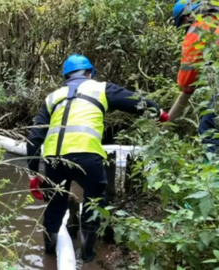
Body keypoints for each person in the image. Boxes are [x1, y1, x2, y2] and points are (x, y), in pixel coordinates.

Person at [26, 54, 168, 265]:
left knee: (55, 205)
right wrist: (160, 112)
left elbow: (34, 137)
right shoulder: (100, 88)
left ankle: (49, 252)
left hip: (53, 160)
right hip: (86, 157)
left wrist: (33, 174)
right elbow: (134, 101)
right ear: (90, 72)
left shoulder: (52, 97)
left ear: (66, 77)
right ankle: (88, 255)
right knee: (93, 201)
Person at [169, 0, 219, 156]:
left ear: (186, 18)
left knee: (209, 128)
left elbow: (187, 77)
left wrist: (187, 87)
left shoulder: (199, 27)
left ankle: (213, 178)